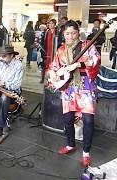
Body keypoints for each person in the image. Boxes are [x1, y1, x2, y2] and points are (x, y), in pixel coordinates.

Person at [48, 20, 100, 167]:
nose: (70, 36)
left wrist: (79, 64)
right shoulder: (61, 49)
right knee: (68, 119)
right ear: (63, 34)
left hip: (85, 87)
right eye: (67, 33)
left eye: (73, 33)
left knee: (88, 120)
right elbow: (54, 66)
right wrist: (53, 73)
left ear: (78, 33)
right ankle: (70, 144)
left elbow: (95, 61)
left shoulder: (87, 45)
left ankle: (86, 153)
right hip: (69, 88)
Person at [0, 46, 24, 140]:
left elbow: (16, 85)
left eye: (4, 56)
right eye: (1, 56)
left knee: (4, 98)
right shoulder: (0, 62)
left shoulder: (19, 66)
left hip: (12, 91)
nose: (1, 58)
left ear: (11, 55)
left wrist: (3, 83)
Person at [41, 19, 58, 83]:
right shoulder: (46, 32)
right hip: (47, 51)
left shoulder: (57, 32)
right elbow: (43, 42)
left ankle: (52, 79)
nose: (50, 25)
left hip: (54, 52)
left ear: (55, 24)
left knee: (54, 65)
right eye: (49, 23)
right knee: (45, 65)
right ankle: (44, 79)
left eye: (52, 23)